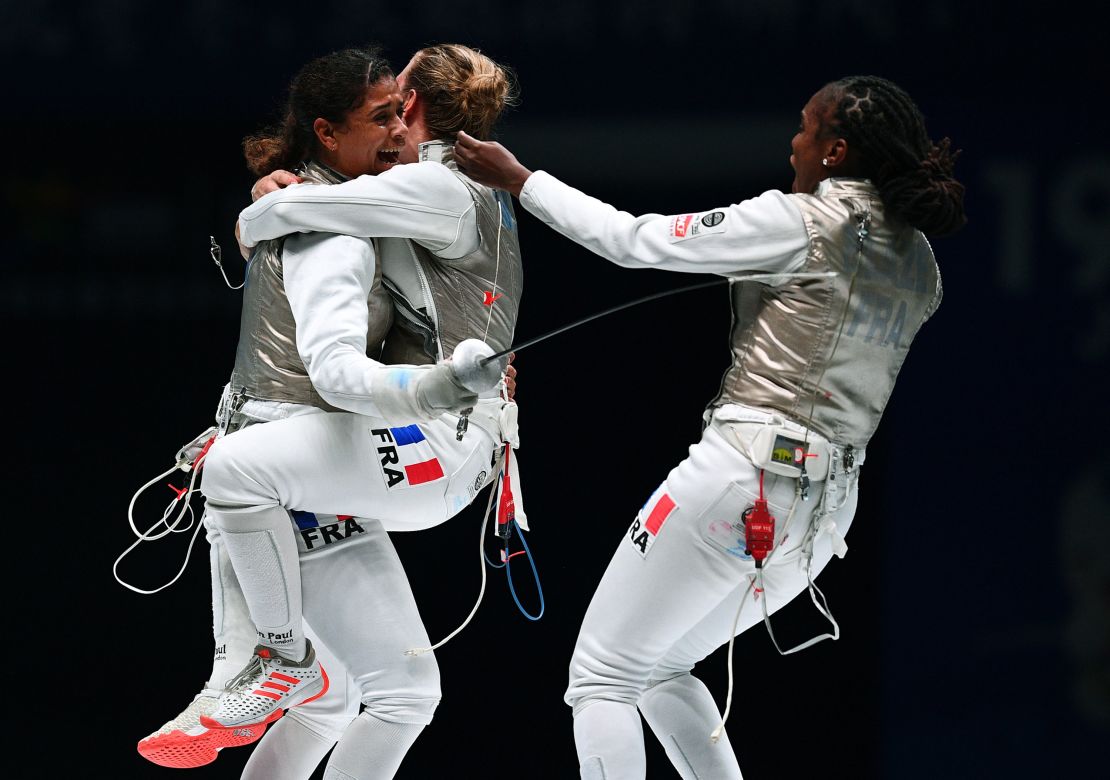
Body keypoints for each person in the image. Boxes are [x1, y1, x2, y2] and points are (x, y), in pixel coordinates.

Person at [454, 75, 966, 779]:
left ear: (838, 149)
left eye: (807, 128)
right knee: (662, 668)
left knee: (602, 676)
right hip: (822, 518)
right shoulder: (922, 266)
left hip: (743, 479)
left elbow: (632, 242)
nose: (795, 142)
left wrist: (521, 180)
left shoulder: (800, 220)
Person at [164, 43, 521, 780]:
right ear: (330, 132)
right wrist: (263, 211)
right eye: (379, 113)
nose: (393, 125)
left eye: (399, 109)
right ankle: (266, 658)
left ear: (418, 108)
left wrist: (260, 210)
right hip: (329, 444)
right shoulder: (377, 207)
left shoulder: (432, 188)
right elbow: (330, 349)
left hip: (408, 441)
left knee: (374, 697)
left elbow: (296, 213)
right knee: (381, 695)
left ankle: (262, 662)